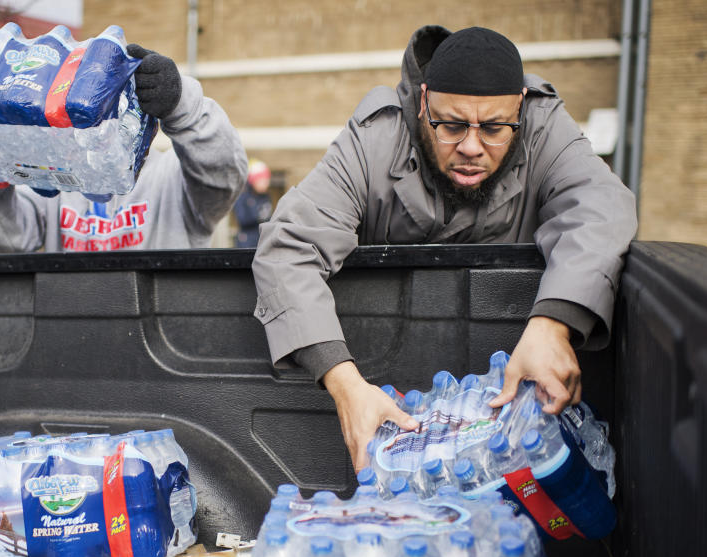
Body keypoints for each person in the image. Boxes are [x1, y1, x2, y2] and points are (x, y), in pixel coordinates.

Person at [251, 25, 638, 471]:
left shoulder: (543, 125)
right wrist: (343, 383)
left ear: (521, 108)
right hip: (391, 402)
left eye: (494, 128)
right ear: (423, 103)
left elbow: (602, 205)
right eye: (450, 125)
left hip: (504, 418)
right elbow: (289, 245)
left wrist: (554, 324)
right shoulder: (377, 138)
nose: (471, 147)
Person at [0, 45, 247, 252]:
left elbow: (223, 174)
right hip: (70, 328)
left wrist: (181, 104)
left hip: (161, 328)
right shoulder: (58, 174)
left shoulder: (172, 175)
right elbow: (7, 236)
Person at [234, 160, 273, 248]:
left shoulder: (265, 196)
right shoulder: (243, 196)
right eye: (262, 180)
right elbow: (243, 219)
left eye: (267, 180)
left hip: (262, 240)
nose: (266, 183)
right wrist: (260, 218)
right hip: (247, 242)